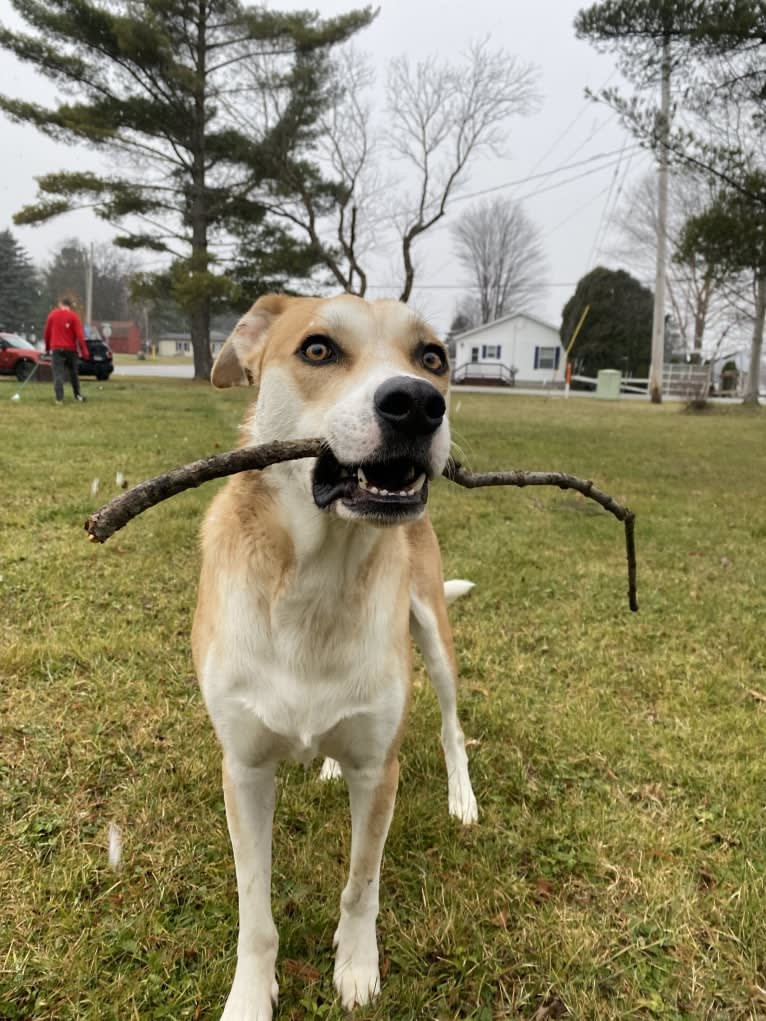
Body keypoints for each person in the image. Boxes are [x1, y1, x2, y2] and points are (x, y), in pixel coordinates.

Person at [44, 297, 89, 404]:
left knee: (58, 374)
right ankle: (77, 396)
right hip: (71, 350)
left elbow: (47, 333)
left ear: (60, 304)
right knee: (73, 373)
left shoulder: (53, 315)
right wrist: (84, 351)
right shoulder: (74, 317)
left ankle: (59, 398)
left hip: (56, 349)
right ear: (70, 306)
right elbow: (80, 335)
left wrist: (47, 348)